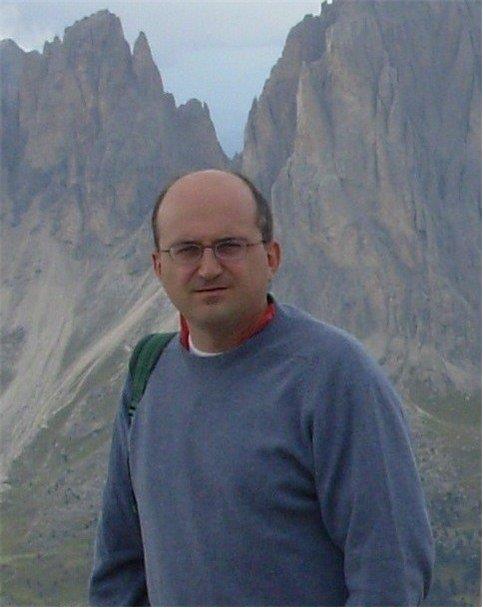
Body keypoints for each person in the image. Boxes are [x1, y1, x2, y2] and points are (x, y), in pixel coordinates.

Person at [89, 169, 434, 606]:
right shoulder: (148, 376)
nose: (208, 267)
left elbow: (390, 572)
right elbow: (119, 573)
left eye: (230, 246)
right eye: (187, 250)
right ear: (159, 266)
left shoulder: (334, 375)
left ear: (272, 257)